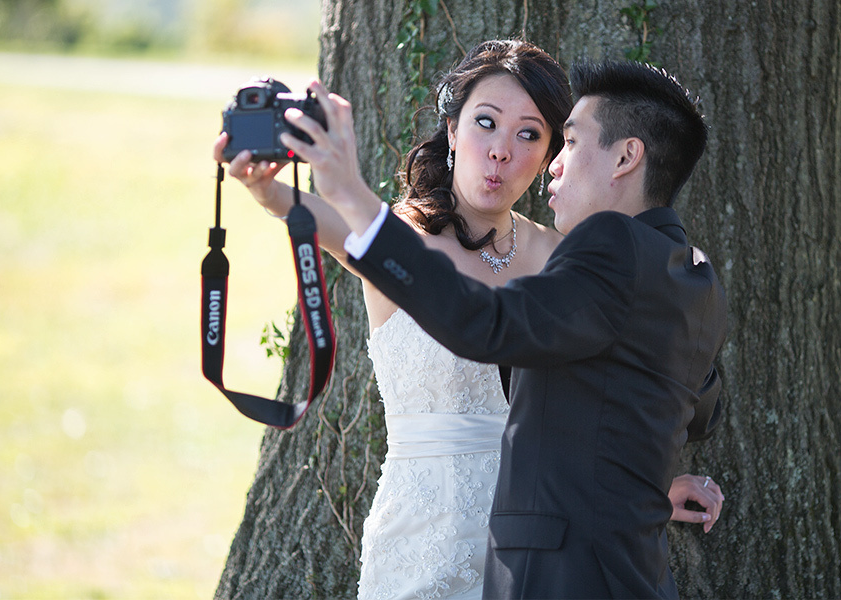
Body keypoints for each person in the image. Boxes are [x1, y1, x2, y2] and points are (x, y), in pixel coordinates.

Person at [215, 41, 725, 599]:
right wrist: (266, 191)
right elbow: (327, 218)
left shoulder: (572, 255)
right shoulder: (390, 239)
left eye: (530, 134)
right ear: (453, 132)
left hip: (541, 548)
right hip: (424, 536)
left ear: (549, 155)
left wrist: (637, 484)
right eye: (486, 124)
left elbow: (623, 384)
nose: (503, 150)